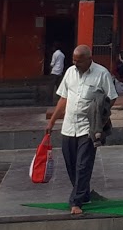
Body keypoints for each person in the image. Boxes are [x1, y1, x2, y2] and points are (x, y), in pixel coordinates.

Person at [44, 44, 118, 215]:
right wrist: (52, 122)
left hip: (88, 129)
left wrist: (101, 117)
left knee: (83, 165)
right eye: (74, 60)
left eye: (79, 61)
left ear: (89, 60)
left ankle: (75, 201)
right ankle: (83, 194)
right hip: (69, 127)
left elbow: (112, 98)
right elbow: (63, 98)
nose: (75, 63)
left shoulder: (101, 74)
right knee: (71, 165)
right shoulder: (70, 72)